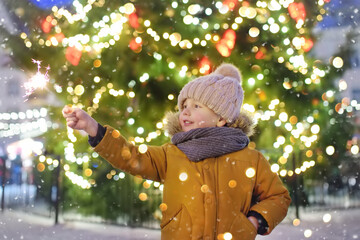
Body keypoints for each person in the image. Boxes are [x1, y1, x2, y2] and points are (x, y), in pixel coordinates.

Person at [62, 63, 291, 240]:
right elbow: (132, 158)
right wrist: (93, 129)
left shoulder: (250, 159)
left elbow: (278, 196)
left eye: (196, 106)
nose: (185, 112)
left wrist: (253, 222)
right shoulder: (171, 154)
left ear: (221, 118)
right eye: (184, 106)